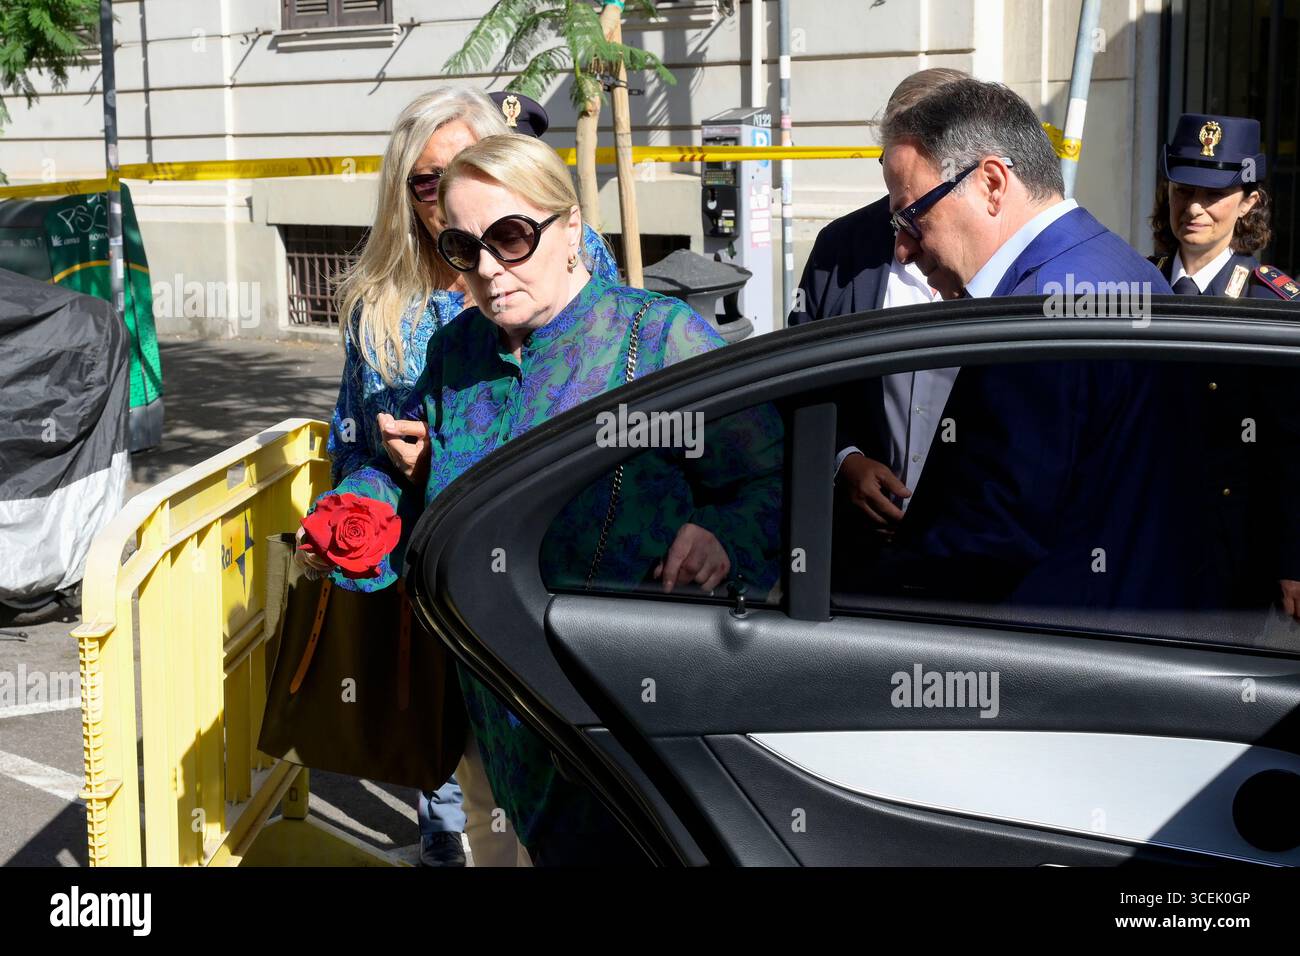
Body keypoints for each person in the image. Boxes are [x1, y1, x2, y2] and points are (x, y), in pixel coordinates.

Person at [301, 133, 781, 865]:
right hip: (499, 701)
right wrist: (362, 507)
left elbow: (764, 480)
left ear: (570, 229)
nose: (488, 270)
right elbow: (413, 470)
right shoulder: (459, 349)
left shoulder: (657, 340)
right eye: (465, 247)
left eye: (512, 238)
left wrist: (719, 538)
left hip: (626, 703)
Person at [295, 86, 619, 867]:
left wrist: (446, 463)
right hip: (436, 592)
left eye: (461, 168)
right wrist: (355, 511)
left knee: (568, 807)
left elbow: (604, 403)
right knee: (461, 803)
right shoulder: (382, 304)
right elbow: (354, 444)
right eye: (424, 180)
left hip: (560, 594)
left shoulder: (574, 265)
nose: (444, 195)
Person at [857, 78, 1204, 610]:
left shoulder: (1035, 315)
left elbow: (989, 541)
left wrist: (844, 604)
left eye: (911, 217)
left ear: (992, 184)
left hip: (1056, 656)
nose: (901, 249)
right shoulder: (1118, 265)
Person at [789, 67, 968, 543]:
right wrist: (844, 461)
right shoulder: (840, 249)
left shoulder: (1010, 259)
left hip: (977, 559)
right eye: (890, 164)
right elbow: (798, 381)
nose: (904, 239)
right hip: (862, 556)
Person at [1149, 113, 1300, 617]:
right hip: (1136, 548)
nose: (1193, 208)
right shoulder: (1131, 286)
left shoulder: (1274, 304)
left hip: (1235, 563)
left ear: (1249, 201)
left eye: (1213, 195)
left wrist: (1291, 561)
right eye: (1182, 190)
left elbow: (1290, 447)